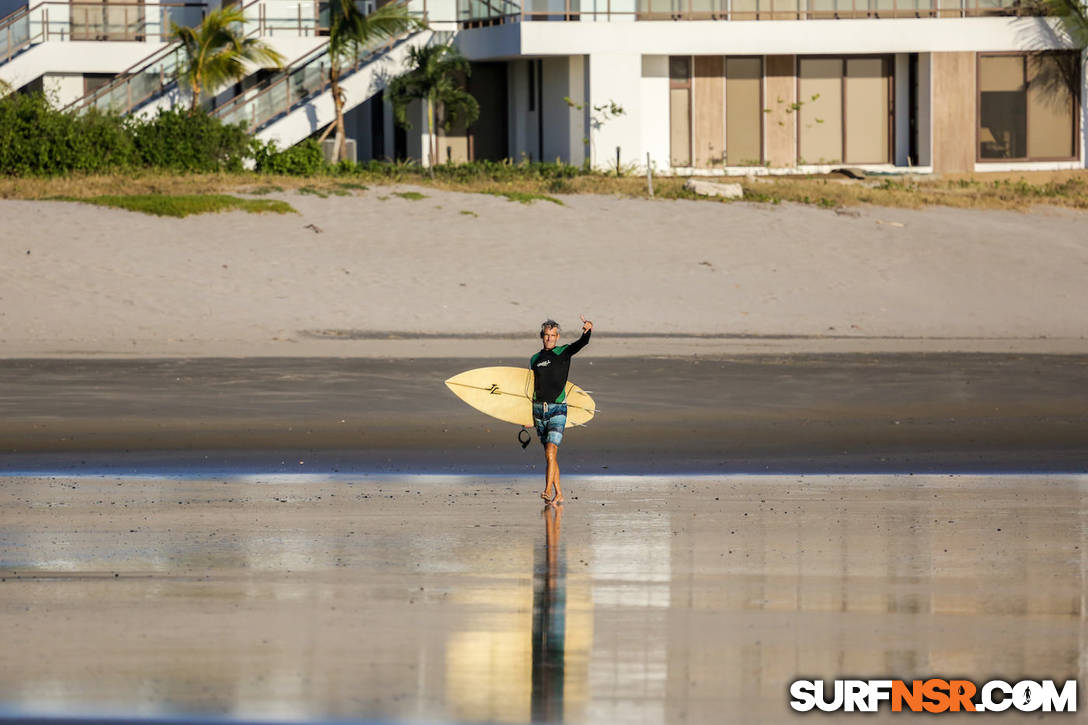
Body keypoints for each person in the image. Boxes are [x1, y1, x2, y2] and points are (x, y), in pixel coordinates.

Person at [530, 315, 592, 505]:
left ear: (557, 337)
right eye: (546, 335)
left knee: (551, 451)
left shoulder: (563, 353)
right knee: (551, 455)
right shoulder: (535, 359)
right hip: (538, 410)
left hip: (557, 409)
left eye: (553, 335)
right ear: (542, 336)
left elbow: (582, 343)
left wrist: (587, 329)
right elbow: (532, 387)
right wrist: (526, 415)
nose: (549, 338)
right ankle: (560, 494)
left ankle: (548, 490)